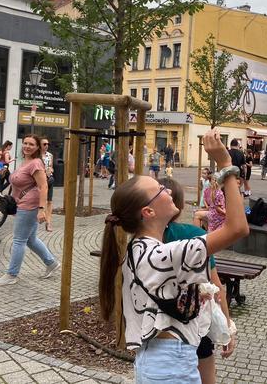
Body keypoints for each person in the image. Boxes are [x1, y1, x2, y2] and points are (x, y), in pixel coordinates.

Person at [98, 128, 248, 382]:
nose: (168, 190)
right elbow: (237, 228)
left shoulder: (142, 249)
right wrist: (226, 165)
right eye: (159, 190)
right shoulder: (160, 255)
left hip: (166, 360)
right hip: (169, 365)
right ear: (148, 212)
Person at [159, 177, 237, 384]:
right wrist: (227, 328)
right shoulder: (194, 235)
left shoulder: (140, 242)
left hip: (157, 333)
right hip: (194, 324)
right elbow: (217, 287)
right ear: (180, 205)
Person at [0, 135, 60, 287]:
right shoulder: (26, 161)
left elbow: (43, 187)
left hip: (29, 205)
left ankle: (11, 274)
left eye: (31, 144)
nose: (27, 146)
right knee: (30, 239)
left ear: (37, 147)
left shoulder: (35, 163)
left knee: (19, 240)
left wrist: (42, 210)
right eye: (25, 143)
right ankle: (52, 263)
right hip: (22, 203)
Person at [40, 137, 54, 232]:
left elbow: (51, 167)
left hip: (49, 179)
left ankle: (48, 223)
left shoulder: (50, 155)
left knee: (49, 202)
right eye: (44, 144)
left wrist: (50, 170)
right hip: (40, 180)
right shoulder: (36, 156)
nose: (46, 146)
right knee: (41, 201)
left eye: (48, 144)